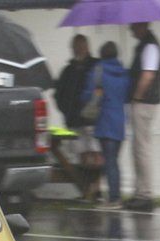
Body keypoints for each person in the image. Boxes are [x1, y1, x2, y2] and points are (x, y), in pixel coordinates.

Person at [81, 41, 129, 209]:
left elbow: (88, 95)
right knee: (114, 161)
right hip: (120, 121)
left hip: (104, 120)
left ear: (101, 54)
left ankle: (114, 198)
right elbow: (127, 95)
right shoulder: (124, 73)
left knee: (109, 162)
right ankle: (113, 195)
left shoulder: (98, 71)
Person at [54, 34, 101, 200]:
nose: (78, 50)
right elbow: (59, 94)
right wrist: (65, 110)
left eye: (80, 46)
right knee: (82, 154)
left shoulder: (96, 66)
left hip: (93, 120)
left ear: (87, 47)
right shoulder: (68, 70)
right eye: (75, 47)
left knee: (96, 153)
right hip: (74, 119)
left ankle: (97, 188)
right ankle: (86, 188)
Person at [126, 22, 160, 212]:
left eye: (133, 27)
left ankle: (145, 195)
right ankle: (140, 192)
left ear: (142, 26)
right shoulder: (146, 45)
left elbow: (148, 75)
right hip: (144, 102)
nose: (130, 29)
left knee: (141, 149)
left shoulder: (149, 46)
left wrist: (137, 97)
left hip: (144, 102)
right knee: (138, 149)